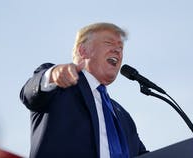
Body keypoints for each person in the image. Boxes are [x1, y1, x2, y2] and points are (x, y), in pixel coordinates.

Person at [20, 22, 147, 158]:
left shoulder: (124, 117)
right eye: (109, 43)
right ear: (83, 51)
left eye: (121, 47)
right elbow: (28, 93)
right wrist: (52, 75)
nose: (118, 50)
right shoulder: (59, 87)